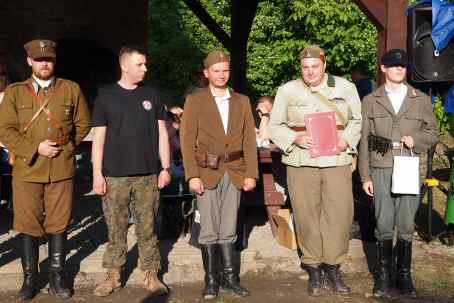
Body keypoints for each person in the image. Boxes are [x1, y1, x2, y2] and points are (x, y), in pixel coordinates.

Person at [0, 39, 91, 300]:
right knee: (28, 224)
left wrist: (68, 147)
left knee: (59, 223)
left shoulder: (70, 89)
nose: (44, 63)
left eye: (48, 59)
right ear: (29, 61)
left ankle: (57, 276)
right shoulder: (15, 92)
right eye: (39, 60)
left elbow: (83, 122)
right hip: (27, 170)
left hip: (60, 169)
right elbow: (4, 129)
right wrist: (34, 148)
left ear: (54, 61)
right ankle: (30, 278)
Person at [268, 45, 362, 297]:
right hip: (302, 161)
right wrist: (294, 139)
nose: (310, 72)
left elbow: (357, 120)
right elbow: (274, 125)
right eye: (305, 67)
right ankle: (313, 267)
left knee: (339, 214)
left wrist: (347, 140)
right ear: (301, 67)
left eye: (315, 66)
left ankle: (333, 266)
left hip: (336, 159)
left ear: (324, 64)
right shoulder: (287, 90)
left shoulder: (345, 87)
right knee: (306, 214)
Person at [91, 45, 171, 297]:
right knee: (116, 228)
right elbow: (98, 139)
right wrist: (96, 174)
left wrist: (166, 167)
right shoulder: (105, 96)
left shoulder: (151, 94)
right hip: (114, 176)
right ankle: (113, 275)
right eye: (140, 64)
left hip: (148, 175)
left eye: (145, 64)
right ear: (125, 66)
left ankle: (151, 274)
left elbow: (162, 134)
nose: (145, 69)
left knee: (148, 228)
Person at [359, 49, 438, 298]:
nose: (398, 69)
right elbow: (363, 140)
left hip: (408, 166)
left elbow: (433, 133)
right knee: (383, 224)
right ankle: (383, 275)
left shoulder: (421, 99)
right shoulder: (371, 100)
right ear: (383, 68)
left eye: (402, 66)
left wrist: (415, 139)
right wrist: (365, 176)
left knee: (405, 225)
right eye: (393, 66)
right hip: (380, 166)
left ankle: (404, 275)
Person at [180, 51, 258, 300]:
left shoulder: (242, 101)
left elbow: (249, 141)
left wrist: (251, 174)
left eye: (225, 70)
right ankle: (211, 280)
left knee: (229, 226)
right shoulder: (195, 101)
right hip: (207, 172)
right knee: (209, 229)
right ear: (206, 73)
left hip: (234, 171)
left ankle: (230, 278)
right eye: (216, 70)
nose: (221, 74)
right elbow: (186, 141)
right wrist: (192, 175)